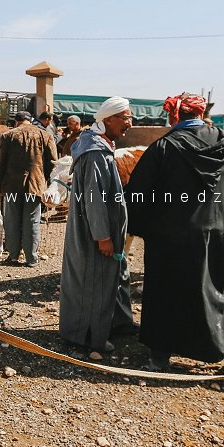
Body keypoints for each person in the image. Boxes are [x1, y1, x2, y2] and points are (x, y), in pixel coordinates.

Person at [126, 93, 224, 374]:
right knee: (220, 286)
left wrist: (139, 228)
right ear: (200, 113)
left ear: (174, 116)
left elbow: (137, 193)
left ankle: (159, 357)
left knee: (166, 290)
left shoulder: (164, 146)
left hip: (172, 234)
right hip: (222, 229)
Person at [58, 97, 135, 359]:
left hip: (99, 230)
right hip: (95, 234)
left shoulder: (99, 146)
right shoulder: (95, 154)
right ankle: (89, 337)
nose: (129, 123)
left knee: (113, 277)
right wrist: (103, 236)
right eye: (125, 117)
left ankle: (117, 324)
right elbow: (95, 200)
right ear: (108, 119)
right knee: (94, 282)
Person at [0, 111, 58, 266]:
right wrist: (51, 186)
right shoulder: (45, 136)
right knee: (32, 221)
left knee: (12, 221)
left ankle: (13, 256)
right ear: (30, 120)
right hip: (35, 186)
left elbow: (1, 164)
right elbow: (53, 163)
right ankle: (31, 258)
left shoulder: (8, 136)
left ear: (17, 121)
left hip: (12, 186)